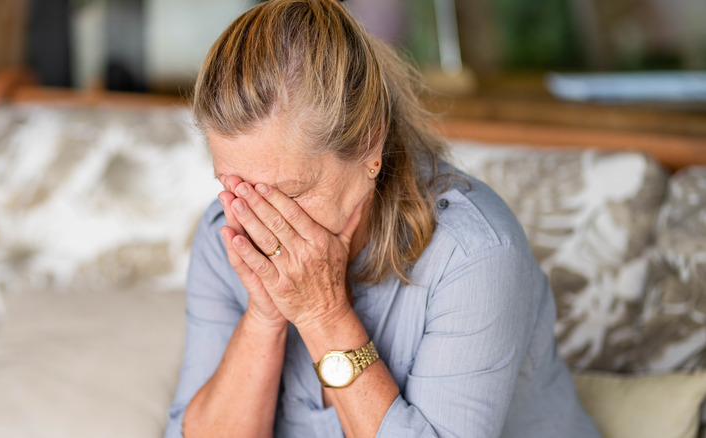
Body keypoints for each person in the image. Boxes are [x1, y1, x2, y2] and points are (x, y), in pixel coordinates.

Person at [164, 0, 600, 437]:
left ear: (370, 141)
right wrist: (264, 315)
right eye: (235, 185)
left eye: (291, 192)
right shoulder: (227, 231)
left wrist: (321, 313)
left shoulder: (474, 254)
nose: (263, 218)